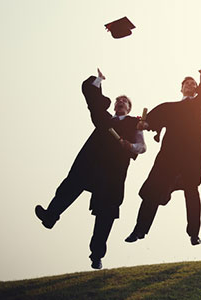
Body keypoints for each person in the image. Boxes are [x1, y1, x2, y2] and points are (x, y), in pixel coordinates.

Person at [35, 69, 146, 269]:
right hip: (91, 163)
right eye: (118, 100)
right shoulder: (104, 120)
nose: (120, 102)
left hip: (113, 172)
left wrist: (129, 146)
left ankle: (96, 255)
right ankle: (50, 216)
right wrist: (99, 80)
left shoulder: (134, 123)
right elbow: (92, 99)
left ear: (129, 108)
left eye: (125, 101)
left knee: (106, 214)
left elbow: (142, 147)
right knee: (70, 186)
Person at [125, 46, 201, 245]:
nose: (190, 85)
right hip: (169, 155)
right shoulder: (170, 107)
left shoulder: (199, 104)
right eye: (187, 83)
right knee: (152, 191)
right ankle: (139, 229)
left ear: (197, 89)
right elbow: (151, 120)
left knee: (192, 192)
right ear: (181, 88)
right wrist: (146, 123)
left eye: (193, 83)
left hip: (191, 156)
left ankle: (194, 233)